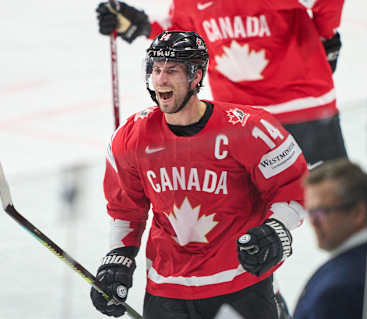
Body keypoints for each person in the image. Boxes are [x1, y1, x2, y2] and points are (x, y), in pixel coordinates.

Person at [90, 30, 307, 319]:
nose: (161, 79)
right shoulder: (132, 138)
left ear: (196, 76)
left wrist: (277, 228)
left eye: (173, 70)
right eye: (156, 69)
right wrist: (119, 256)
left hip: (240, 284)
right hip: (167, 291)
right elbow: (126, 210)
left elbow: (296, 185)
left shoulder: (247, 128)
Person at [95, 0, 348, 169]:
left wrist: (325, 35)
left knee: (340, 210)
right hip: (241, 123)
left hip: (303, 109)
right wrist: (140, 23)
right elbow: (184, 27)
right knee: (245, 233)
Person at [294, 159, 367, 319]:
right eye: (310, 212)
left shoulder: (336, 292)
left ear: (358, 213)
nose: (312, 223)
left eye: (321, 212)